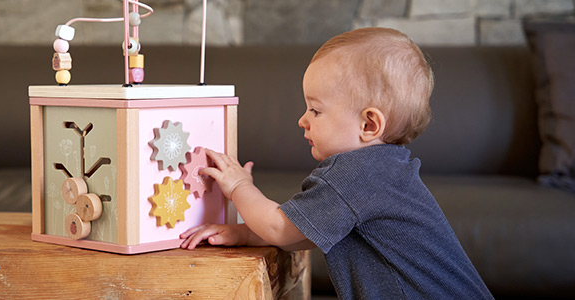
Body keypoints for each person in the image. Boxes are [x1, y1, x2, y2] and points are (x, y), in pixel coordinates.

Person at [180, 27, 493, 299]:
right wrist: (246, 234)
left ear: (369, 125)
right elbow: (305, 231)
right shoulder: (386, 169)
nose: (302, 120)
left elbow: (280, 227)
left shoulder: (354, 173)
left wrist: (239, 186)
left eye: (315, 110)